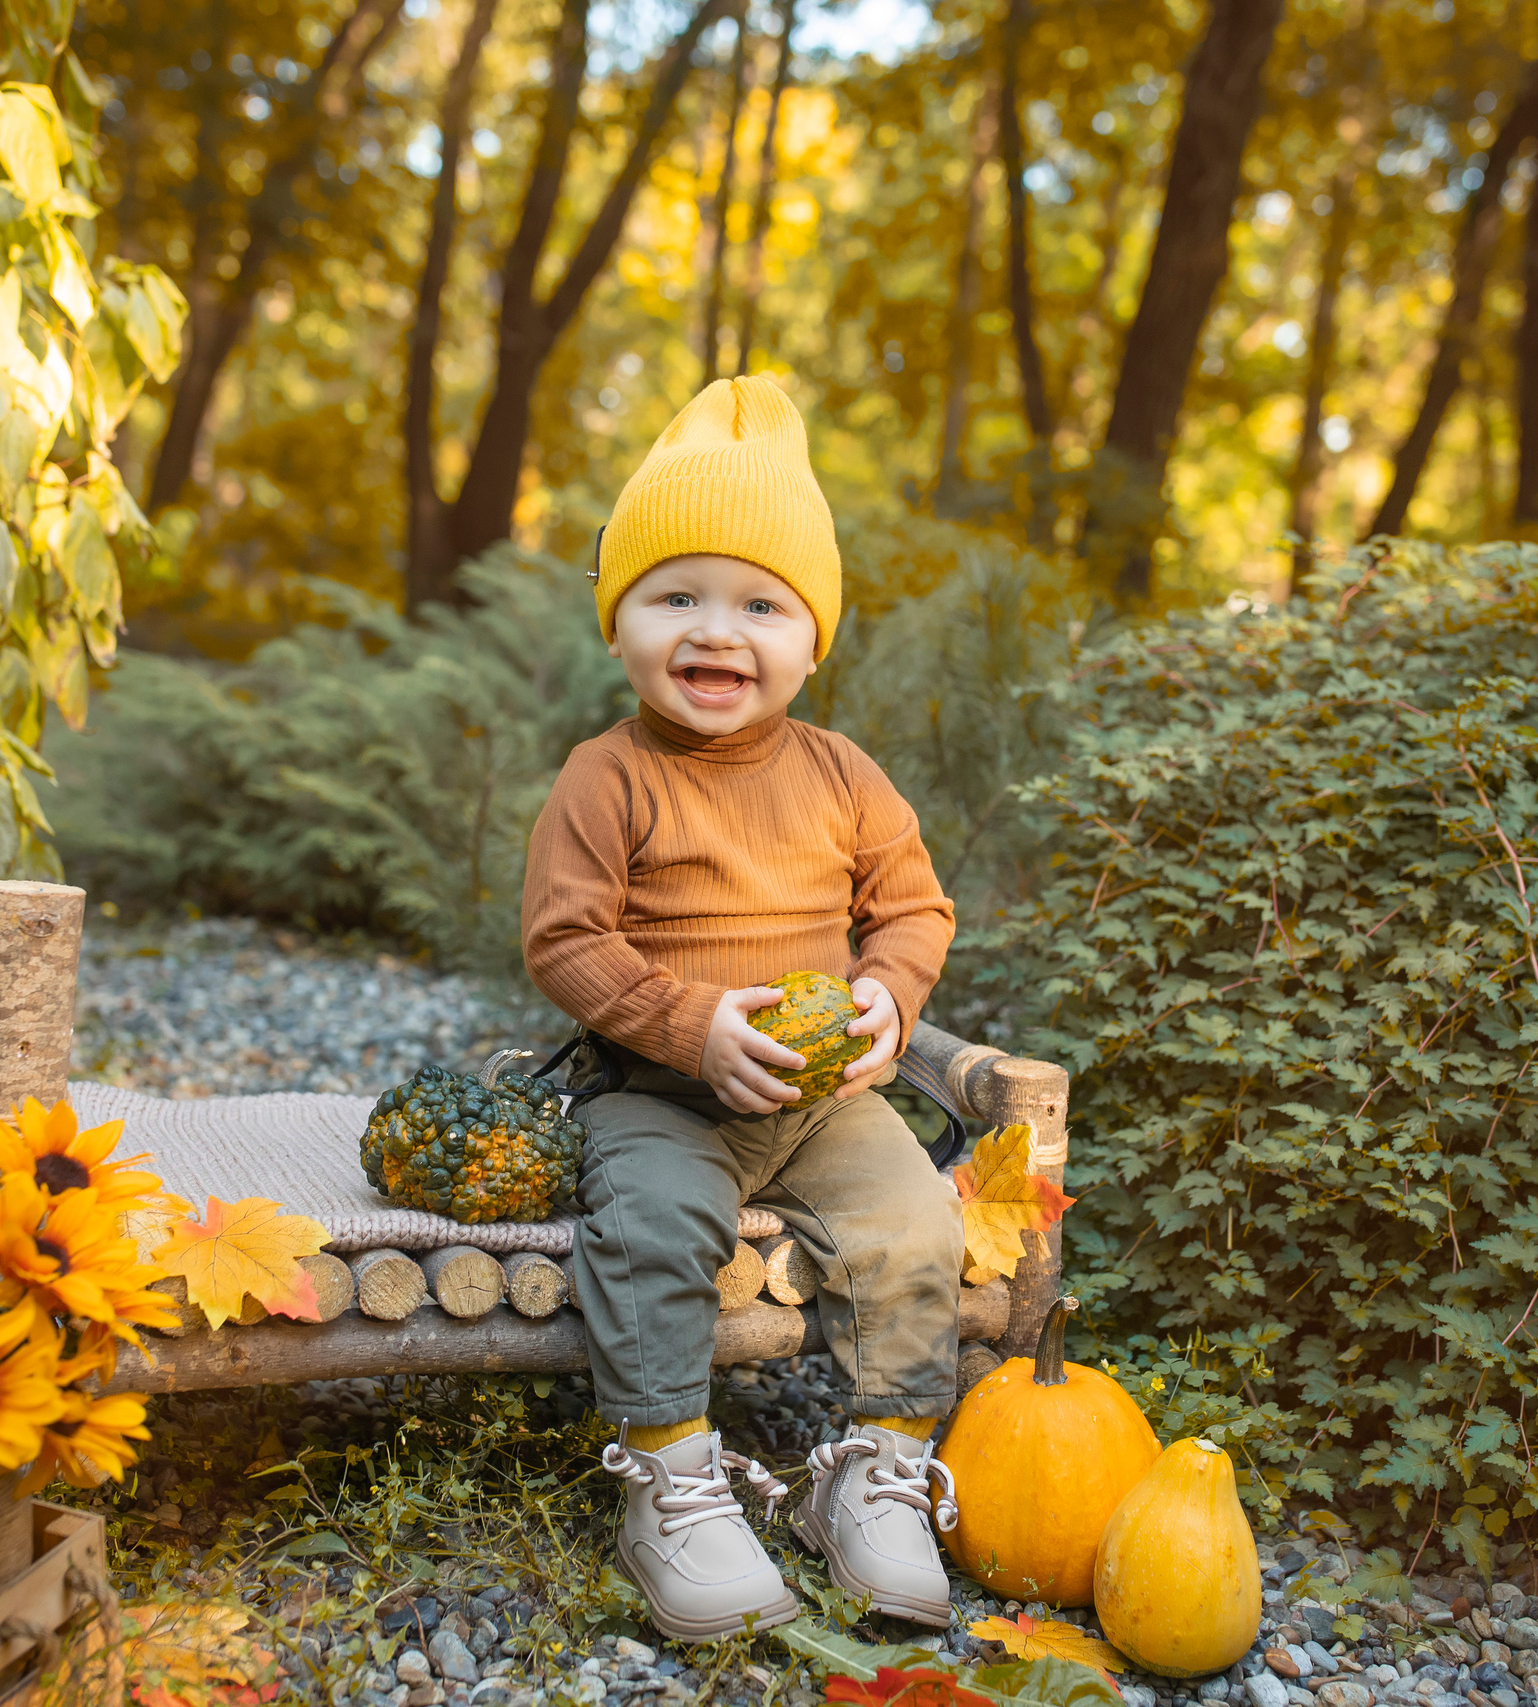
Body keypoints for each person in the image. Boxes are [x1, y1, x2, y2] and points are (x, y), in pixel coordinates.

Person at [520, 374, 965, 1641]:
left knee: (915, 1229)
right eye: (675, 598)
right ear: (617, 625)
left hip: (826, 1103)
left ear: (812, 643)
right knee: (651, 1227)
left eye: (760, 605)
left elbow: (914, 909)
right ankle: (669, 1479)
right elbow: (564, 940)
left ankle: (875, 1475)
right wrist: (689, 1028)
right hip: (660, 1094)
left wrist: (887, 994)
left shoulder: (842, 774)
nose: (717, 632)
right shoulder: (607, 776)